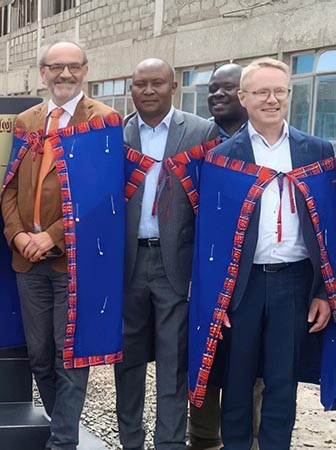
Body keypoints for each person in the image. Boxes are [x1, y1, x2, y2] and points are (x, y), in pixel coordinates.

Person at [189, 57, 335, 450]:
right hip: (241, 286)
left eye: (280, 91)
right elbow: (209, 237)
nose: (272, 100)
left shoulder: (317, 151)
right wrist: (213, 300)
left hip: (295, 282)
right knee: (237, 380)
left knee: (282, 382)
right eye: (261, 92)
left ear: (289, 94)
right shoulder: (222, 156)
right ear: (244, 97)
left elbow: (328, 229)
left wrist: (323, 291)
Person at [0, 40, 124, 450]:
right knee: (39, 355)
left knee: (69, 357)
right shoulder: (27, 119)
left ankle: (62, 441)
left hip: (74, 262)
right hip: (27, 261)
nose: (65, 74)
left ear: (86, 70)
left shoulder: (104, 120)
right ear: (43, 73)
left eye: (73, 67)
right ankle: (61, 423)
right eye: (56, 67)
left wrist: (49, 236)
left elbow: (101, 195)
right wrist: (18, 236)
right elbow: (11, 187)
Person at [115, 58, 217, 450]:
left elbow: (211, 202)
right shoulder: (117, 134)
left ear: (173, 88)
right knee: (127, 364)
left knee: (174, 366)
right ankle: (130, 442)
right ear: (131, 89)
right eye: (140, 83)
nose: (148, 90)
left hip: (176, 264)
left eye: (157, 83)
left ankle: (170, 444)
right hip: (128, 263)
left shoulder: (200, 131)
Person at [188, 62, 259, 450]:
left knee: (252, 363)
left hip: (255, 274)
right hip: (204, 269)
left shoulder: (266, 146)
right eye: (212, 89)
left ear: (245, 95)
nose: (216, 95)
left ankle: (249, 438)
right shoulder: (198, 142)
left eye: (225, 89)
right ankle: (201, 438)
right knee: (205, 355)